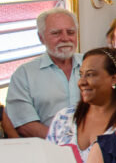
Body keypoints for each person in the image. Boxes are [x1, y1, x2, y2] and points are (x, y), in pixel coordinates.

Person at [7, 7, 82, 137]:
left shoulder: (93, 63)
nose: (65, 38)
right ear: (41, 38)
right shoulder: (24, 75)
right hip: (48, 149)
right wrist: (65, 143)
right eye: (56, 33)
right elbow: (25, 124)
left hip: (96, 146)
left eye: (70, 32)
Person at [47, 47, 116, 163]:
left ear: (114, 79)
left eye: (90, 75)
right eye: (81, 75)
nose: (82, 82)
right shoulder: (64, 118)